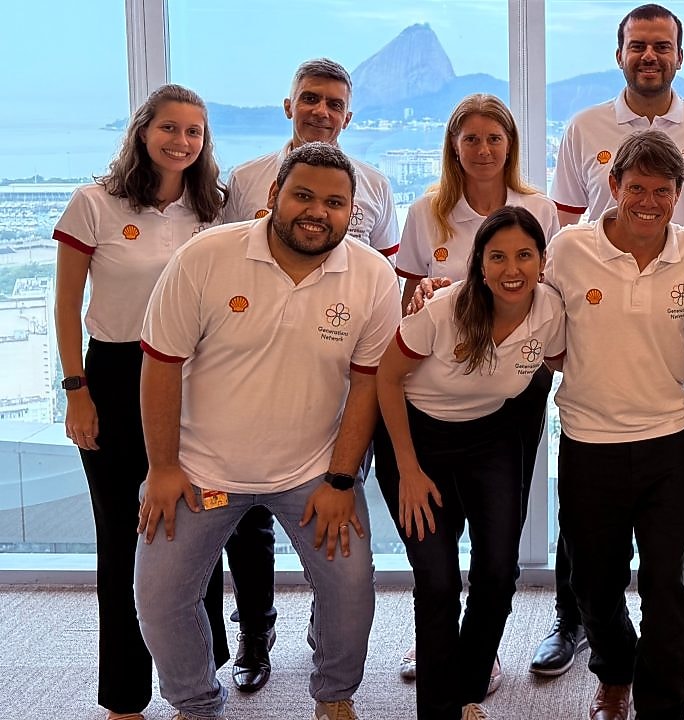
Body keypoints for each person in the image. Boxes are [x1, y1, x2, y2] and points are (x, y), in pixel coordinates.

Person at [134, 142, 400, 720]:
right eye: (303, 195)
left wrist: (340, 478)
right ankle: (195, 704)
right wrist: (162, 468)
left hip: (313, 471)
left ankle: (333, 694)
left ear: (351, 213)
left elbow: (366, 387)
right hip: (200, 470)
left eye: (335, 203)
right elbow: (160, 365)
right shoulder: (206, 257)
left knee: (351, 592)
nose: (317, 211)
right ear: (274, 196)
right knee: (158, 599)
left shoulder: (373, 276)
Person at [538, 3, 684, 680]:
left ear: (679, 56)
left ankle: (674, 630)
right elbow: (562, 241)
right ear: (619, 52)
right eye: (638, 46)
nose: (649, 56)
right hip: (602, 317)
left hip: (681, 307)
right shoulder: (584, 128)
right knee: (589, 525)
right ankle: (579, 623)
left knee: (676, 514)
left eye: (662, 46)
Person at [218, 56, 401, 694]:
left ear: (349, 117)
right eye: (310, 99)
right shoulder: (244, 180)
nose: (321, 111)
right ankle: (255, 630)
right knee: (246, 518)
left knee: (336, 513)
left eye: (334, 104)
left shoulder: (375, 185)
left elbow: (388, 281)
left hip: (342, 379)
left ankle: (330, 643)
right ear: (289, 104)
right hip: (253, 379)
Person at [52, 83, 230, 720]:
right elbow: (67, 306)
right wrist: (76, 391)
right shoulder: (93, 203)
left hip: (194, 378)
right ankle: (124, 694)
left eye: (194, 132)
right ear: (142, 130)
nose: (182, 141)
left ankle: (197, 680)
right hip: (115, 372)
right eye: (170, 128)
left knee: (196, 529)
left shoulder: (213, 209)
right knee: (123, 536)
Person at [543, 128, 684, 720]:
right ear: (613, 186)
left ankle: (661, 704)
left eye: (661, 191)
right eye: (635, 187)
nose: (647, 201)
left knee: (668, 588)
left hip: (670, 440)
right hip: (589, 442)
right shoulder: (568, 249)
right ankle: (616, 669)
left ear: (678, 194)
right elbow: (536, 325)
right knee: (593, 584)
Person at [390, 93, 559, 688]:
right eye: (471, 139)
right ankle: (439, 638)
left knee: (497, 528)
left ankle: (477, 650)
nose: (484, 150)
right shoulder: (427, 212)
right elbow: (406, 294)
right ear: (453, 147)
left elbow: (548, 290)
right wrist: (425, 294)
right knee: (440, 531)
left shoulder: (537, 207)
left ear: (509, 145)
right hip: (436, 384)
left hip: (512, 393)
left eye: (495, 138)